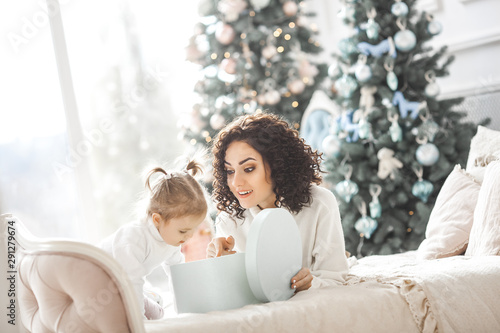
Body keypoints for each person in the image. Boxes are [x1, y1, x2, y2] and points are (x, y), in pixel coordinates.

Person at [207, 113, 349, 291]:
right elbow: (229, 290)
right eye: (229, 171)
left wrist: (312, 282)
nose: (236, 182)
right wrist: (219, 262)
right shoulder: (229, 219)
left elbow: (335, 277)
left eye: (248, 169)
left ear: (277, 164)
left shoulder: (319, 203)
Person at [100, 159, 208, 319]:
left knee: (157, 310)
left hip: (124, 285)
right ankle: (150, 296)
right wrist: (140, 323)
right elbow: (131, 282)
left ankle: (151, 295)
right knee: (150, 312)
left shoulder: (173, 241)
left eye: (193, 230)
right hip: (100, 285)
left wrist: (185, 312)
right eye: (184, 230)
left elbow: (177, 274)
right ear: (157, 220)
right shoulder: (134, 238)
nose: (189, 236)